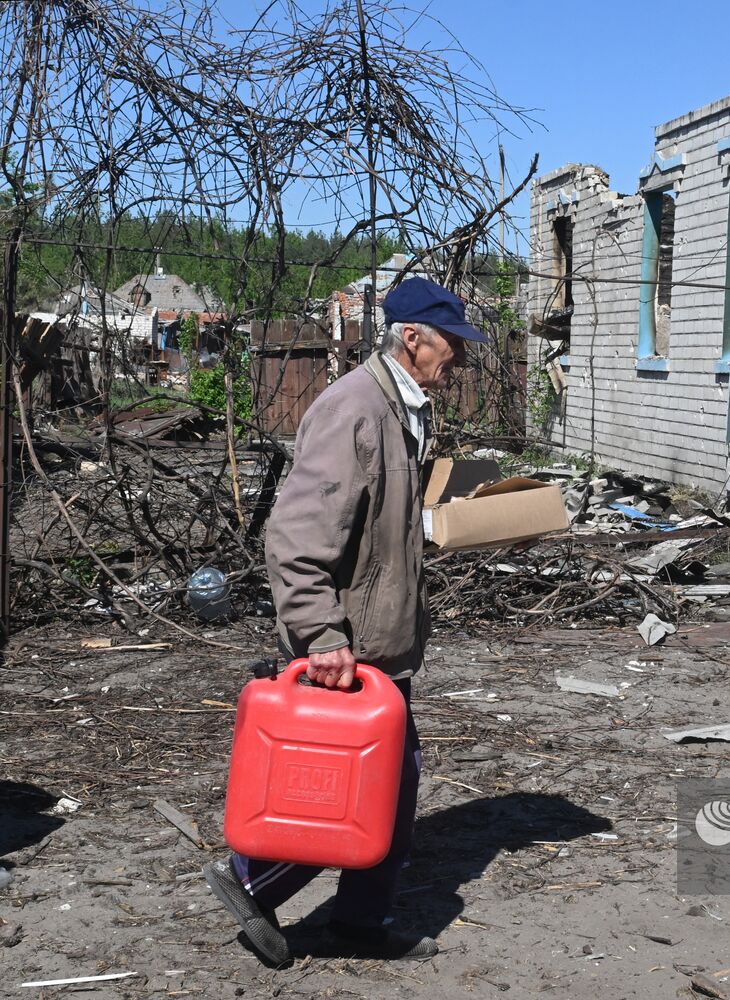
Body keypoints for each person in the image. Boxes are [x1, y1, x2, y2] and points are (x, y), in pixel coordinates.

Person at [204, 277, 486, 965]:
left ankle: (359, 921)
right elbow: (296, 536)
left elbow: (371, 517)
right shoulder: (355, 409)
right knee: (364, 786)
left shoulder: (399, 408)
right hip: (347, 645)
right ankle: (252, 881)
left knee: (391, 781)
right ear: (411, 338)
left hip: (376, 639)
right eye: (451, 343)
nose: (460, 358)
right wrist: (322, 635)